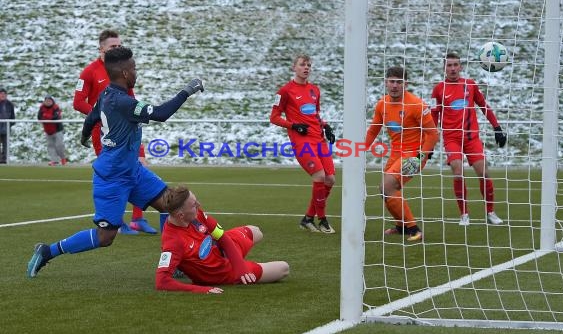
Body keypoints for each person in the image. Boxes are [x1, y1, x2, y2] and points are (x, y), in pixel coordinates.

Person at [26, 46, 205, 278]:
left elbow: (91, 117)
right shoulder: (124, 102)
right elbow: (160, 113)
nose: (136, 72)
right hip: (112, 178)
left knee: (173, 205)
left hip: (134, 172)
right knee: (105, 237)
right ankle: (47, 251)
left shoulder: (107, 94)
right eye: (134, 69)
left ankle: (176, 261)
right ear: (125, 73)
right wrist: (187, 90)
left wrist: (84, 136)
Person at [73, 29, 152, 235]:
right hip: (106, 134)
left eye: (119, 46)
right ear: (101, 48)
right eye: (112, 47)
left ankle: (138, 218)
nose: (117, 49)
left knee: (141, 164)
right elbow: (78, 102)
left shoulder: (122, 70)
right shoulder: (89, 72)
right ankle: (117, 221)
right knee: (118, 174)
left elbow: (131, 96)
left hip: (129, 130)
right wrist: (100, 115)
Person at [155, 186, 290, 294]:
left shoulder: (196, 214)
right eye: (194, 205)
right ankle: (246, 265)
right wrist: (201, 289)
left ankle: (241, 260)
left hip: (222, 248)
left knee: (256, 231)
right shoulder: (173, 242)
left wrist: (240, 266)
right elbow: (162, 282)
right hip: (221, 272)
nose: (199, 205)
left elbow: (222, 236)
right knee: (284, 268)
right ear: (181, 215)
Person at [431, 52, 507, 226]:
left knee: (484, 174)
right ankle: (464, 214)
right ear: (444, 68)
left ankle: (490, 212)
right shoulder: (438, 89)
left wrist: (497, 128)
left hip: (472, 138)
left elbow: (484, 106)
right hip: (451, 139)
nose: (452, 68)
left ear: (461, 66)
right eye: (449, 65)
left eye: (455, 65)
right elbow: (434, 116)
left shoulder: (470, 85)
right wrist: (431, 141)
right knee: (458, 172)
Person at [365, 66, 439, 242]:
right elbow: (373, 131)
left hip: (414, 155)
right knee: (385, 191)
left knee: (387, 187)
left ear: (406, 84)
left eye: (399, 82)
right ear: (386, 82)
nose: (395, 85)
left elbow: (433, 134)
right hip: (395, 154)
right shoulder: (382, 104)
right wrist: (360, 149)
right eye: (392, 81)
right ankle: (401, 226)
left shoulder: (417, 104)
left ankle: (414, 229)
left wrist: (421, 156)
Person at [270, 54, 336, 234]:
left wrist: (325, 126)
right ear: (294, 67)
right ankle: (322, 220)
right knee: (320, 176)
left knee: (330, 179)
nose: (306, 67)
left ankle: (308, 218)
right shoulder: (284, 91)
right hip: (302, 142)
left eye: (308, 65)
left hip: (319, 139)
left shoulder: (315, 90)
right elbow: (274, 117)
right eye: (302, 64)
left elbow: (315, 115)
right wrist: (293, 126)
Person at [37, 95, 67, 166]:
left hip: (57, 130)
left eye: (49, 101)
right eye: (46, 100)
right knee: (50, 146)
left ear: (52, 101)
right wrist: (47, 117)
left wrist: (46, 116)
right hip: (47, 130)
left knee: (59, 145)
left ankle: (63, 158)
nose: (48, 102)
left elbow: (56, 117)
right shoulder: (42, 108)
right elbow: (39, 117)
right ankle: (54, 161)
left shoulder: (56, 107)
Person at [0, 87, 16, 164]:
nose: (3, 95)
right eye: (1, 94)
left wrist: (10, 124)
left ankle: (3, 159)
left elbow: (12, 117)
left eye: (4, 94)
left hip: (6, 128)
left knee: (5, 145)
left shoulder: (10, 104)